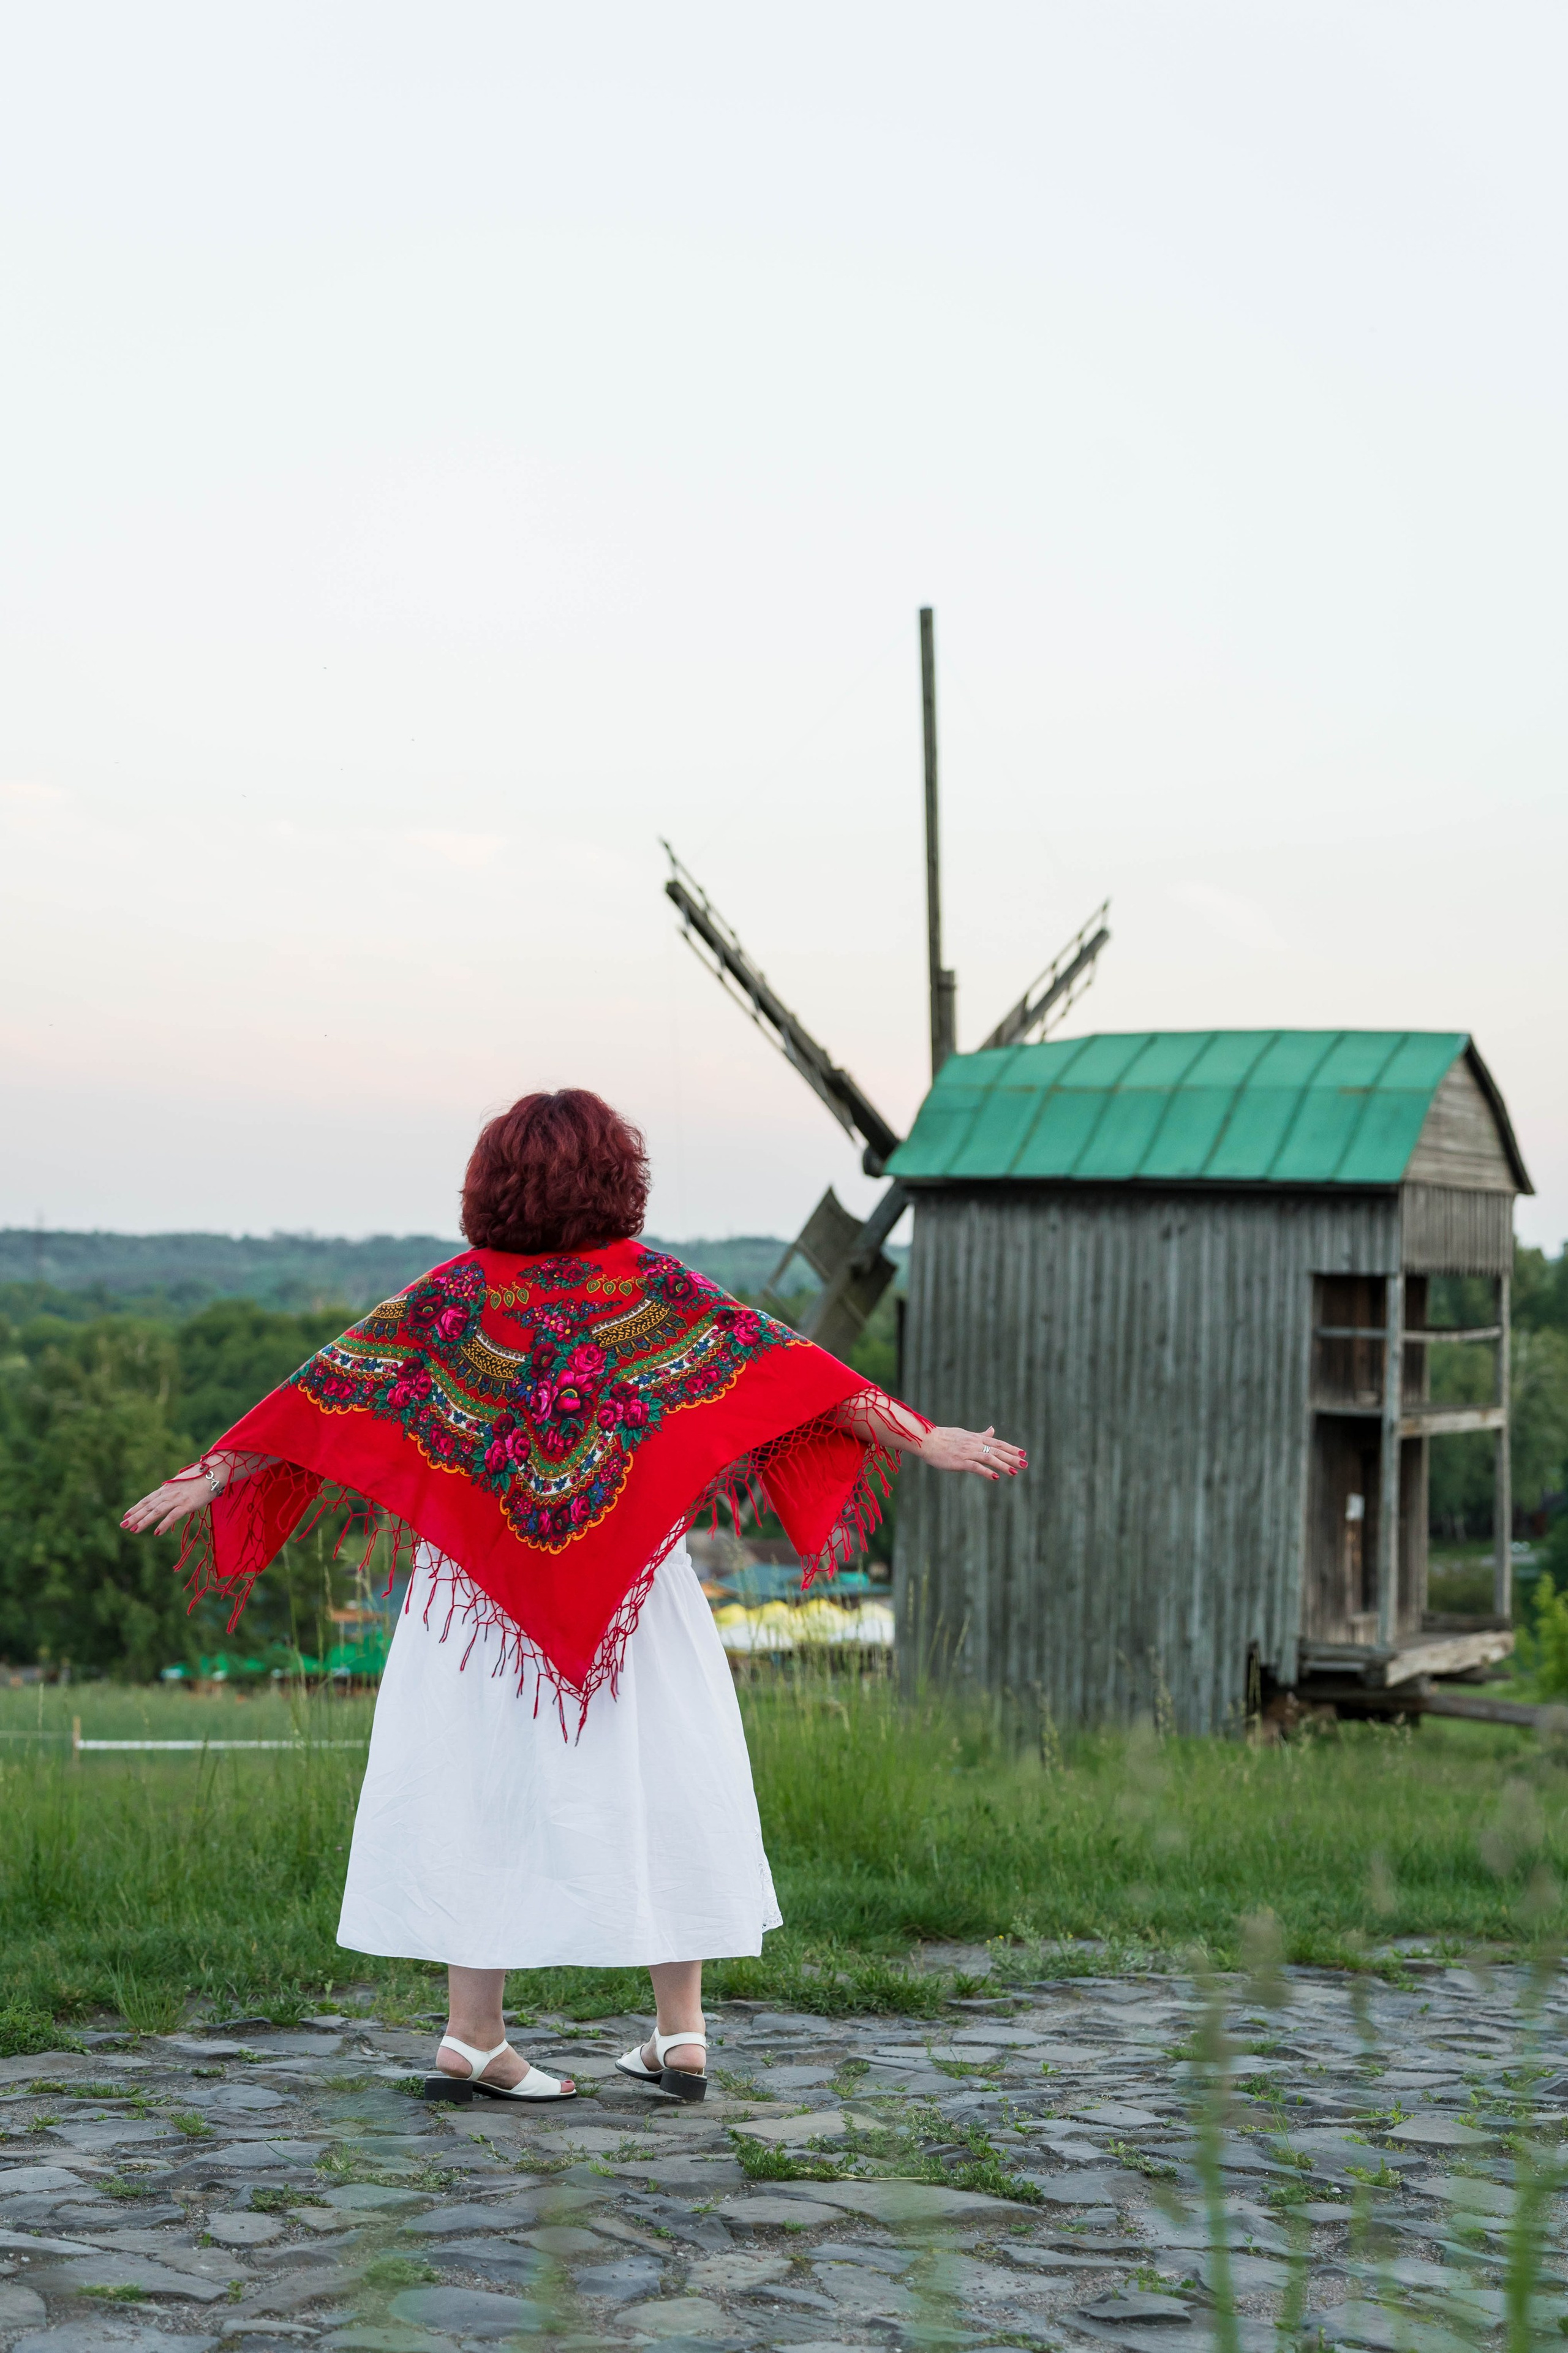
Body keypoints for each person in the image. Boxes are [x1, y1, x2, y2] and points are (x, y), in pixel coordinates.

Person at [123, 1090, 1025, 2106]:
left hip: (470, 1608)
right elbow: (796, 1376)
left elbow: (328, 1395)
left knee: (475, 1784)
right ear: (615, 1177)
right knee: (667, 1779)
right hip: (641, 1594)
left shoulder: (449, 1303)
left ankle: (472, 2036)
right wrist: (924, 1436)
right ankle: (681, 2030)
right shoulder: (660, 1294)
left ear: (492, 1182)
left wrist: (214, 1472)